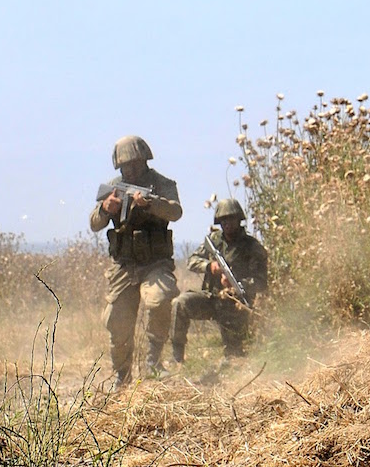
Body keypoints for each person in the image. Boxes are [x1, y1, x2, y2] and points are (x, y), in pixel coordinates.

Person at [90, 135, 182, 384]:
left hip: (155, 262)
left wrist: (150, 203)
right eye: (125, 166)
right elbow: (94, 223)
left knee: (159, 299)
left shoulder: (162, 184)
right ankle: (123, 376)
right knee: (116, 321)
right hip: (125, 264)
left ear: (144, 161)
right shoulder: (113, 187)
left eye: (135, 163)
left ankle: (153, 363)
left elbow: (176, 212)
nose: (130, 169)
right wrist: (105, 209)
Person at [170, 198, 269, 365]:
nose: (227, 223)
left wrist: (239, 285)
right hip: (211, 299)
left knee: (234, 358)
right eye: (223, 220)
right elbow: (192, 261)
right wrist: (210, 266)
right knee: (181, 303)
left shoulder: (252, 246)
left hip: (236, 305)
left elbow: (262, 282)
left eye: (231, 219)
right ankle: (176, 358)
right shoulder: (214, 241)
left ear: (239, 219)